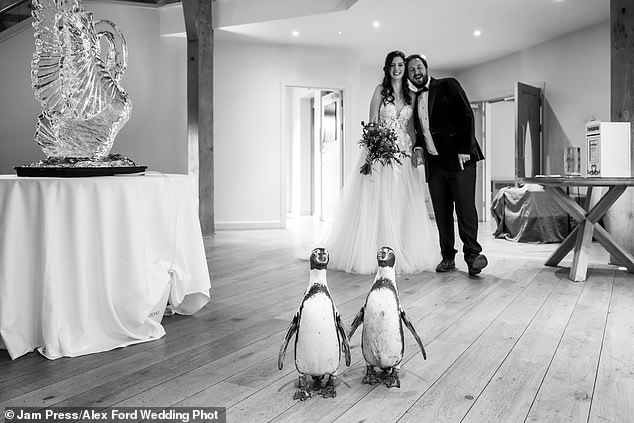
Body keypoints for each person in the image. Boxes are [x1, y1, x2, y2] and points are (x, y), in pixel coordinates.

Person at [321, 51, 439, 274]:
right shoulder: (380, 91)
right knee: (379, 199)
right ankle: (376, 249)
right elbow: (373, 121)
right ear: (387, 68)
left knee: (402, 201)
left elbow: (412, 128)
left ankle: (401, 249)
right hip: (381, 153)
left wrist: (417, 148)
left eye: (401, 65)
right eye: (393, 65)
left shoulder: (411, 96)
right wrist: (378, 146)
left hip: (403, 154)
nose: (397, 69)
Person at [405, 54, 488, 276]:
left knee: (465, 209)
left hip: (460, 160)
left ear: (426, 68)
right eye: (411, 70)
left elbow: (466, 115)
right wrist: (418, 148)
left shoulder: (448, 84)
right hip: (435, 164)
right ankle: (447, 257)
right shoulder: (413, 100)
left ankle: (472, 256)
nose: (416, 72)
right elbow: (420, 131)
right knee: (442, 213)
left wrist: (464, 149)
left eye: (418, 67)